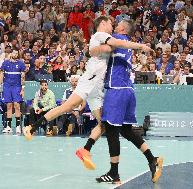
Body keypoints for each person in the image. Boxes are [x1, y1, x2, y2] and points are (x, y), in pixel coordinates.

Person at [23, 16, 151, 146]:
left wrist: (97, 49)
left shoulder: (104, 39)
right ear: (103, 23)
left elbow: (107, 48)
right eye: (111, 24)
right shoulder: (100, 34)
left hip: (98, 85)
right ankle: (31, 128)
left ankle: (86, 150)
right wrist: (140, 46)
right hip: (90, 80)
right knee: (67, 107)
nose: (113, 26)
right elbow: (116, 45)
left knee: (104, 123)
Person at [77, 19, 162, 184]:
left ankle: (113, 173)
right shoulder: (127, 47)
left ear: (121, 28)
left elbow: (97, 49)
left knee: (110, 130)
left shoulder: (115, 38)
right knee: (126, 131)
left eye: (116, 24)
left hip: (116, 90)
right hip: (129, 91)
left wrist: (89, 51)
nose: (113, 25)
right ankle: (153, 159)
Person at [0, 50, 25, 134]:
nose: (15, 54)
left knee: (17, 105)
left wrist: (23, 88)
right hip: (7, 86)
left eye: (17, 53)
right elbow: (1, 74)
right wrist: (1, 86)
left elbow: (23, 77)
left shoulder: (21, 63)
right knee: (9, 106)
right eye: (14, 53)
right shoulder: (5, 63)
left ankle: (18, 126)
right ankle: (8, 126)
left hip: (17, 86)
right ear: (11, 54)